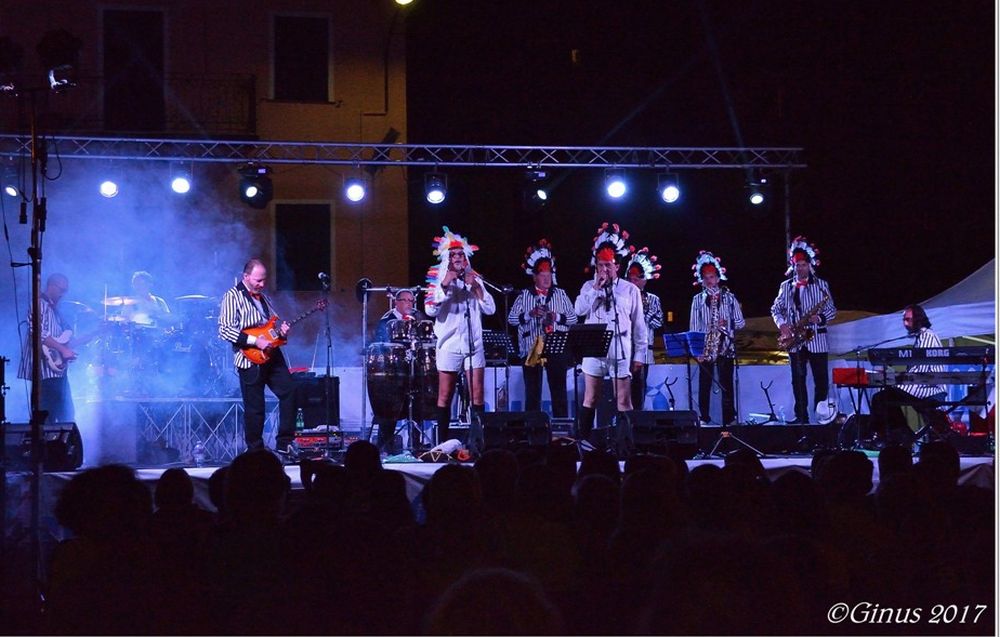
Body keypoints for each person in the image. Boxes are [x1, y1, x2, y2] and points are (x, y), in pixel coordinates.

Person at [573, 222, 648, 443]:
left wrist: (639, 356)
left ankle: (626, 444)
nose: (604, 269)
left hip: (620, 348)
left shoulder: (630, 290)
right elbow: (578, 310)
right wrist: (595, 290)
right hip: (594, 349)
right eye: (600, 265)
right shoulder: (588, 287)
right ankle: (583, 442)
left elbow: (639, 326)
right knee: (591, 397)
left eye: (608, 265)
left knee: (623, 400)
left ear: (616, 266)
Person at [217, 258, 297, 459]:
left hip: (271, 355)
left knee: (290, 391)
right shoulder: (232, 296)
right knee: (255, 407)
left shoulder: (263, 298)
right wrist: (255, 341)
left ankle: (284, 442)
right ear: (245, 277)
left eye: (264, 280)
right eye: (258, 280)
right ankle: (255, 450)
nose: (262, 284)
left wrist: (282, 332)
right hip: (249, 358)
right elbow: (225, 330)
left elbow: (271, 328)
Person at [424, 227, 496, 445]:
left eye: (461, 255)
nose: (458, 258)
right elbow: (430, 310)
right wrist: (446, 284)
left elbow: (490, 309)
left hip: (474, 345)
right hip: (449, 345)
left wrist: (476, 288)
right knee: (445, 395)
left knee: (477, 394)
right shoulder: (438, 282)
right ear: (447, 258)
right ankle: (442, 443)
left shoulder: (475, 281)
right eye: (453, 255)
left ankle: (478, 443)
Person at [770, 236, 837, 424]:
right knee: (797, 380)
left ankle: (821, 416)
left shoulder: (822, 285)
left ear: (809, 265)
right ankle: (801, 416)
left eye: (803, 264)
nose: (800, 268)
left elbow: (831, 309)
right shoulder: (786, 287)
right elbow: (776, 309)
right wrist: (783, 325)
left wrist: (820, 318)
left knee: (820, 380)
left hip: (816, 337)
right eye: (797, 265)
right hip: (795, 339)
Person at [507, 239, 576, 417]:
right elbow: (512, 319)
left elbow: (573, 318)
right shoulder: (524, 295)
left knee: (558, 391)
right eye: (543, 276)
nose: (547, 279)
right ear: (534, 277)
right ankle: (532, 428)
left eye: (549, 275)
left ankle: (562, 427)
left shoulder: (560, 294)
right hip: (532, 347)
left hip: (555, 345)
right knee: (532, 392)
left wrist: (557, 317)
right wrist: (529, 314)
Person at [869, 304, 949, 444]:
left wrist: (894, 376)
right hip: (919, 384)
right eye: (904, 320)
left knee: (881, 398)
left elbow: (921, 369)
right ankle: (902, 434)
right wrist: (893, 374)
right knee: (883, 397)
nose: (905, 324)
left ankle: (900, 435)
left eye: (908, 320)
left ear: (918, 319)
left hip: (929, 387)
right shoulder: (920, 338)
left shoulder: (927, 336)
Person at [689, 251, 746, 426]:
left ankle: (729, 419)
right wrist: (697, 350)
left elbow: (741, 322)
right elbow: (693, 327)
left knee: (726, 385)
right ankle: (704, 418)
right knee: (704, 385)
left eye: (712, 277)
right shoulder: (697, 300)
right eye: (705, 278)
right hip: (706, 347)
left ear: (718, 278)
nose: (709, 281)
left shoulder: (729, 298)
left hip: (725, 346)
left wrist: (726, 322)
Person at [371, 288, 428, 453]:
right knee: (391, 408)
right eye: (406, 300)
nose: (409, 304)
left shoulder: (417, 318)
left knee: (416, 404)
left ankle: (415, 443)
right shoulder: (387, 320)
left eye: (411, 301)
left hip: (413, 369)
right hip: (393, 372)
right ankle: (386, 445)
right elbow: (380, 343)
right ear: (397, 302)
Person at [18, 273, 76, 423]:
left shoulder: (56, 311)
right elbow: (37, 331)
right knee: (46, 418)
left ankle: (60, 446)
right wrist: (63, 350)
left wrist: (66, 351)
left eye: (66, 291)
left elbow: (60, 340)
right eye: (61, 290)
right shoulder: (39, 304)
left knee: (67, 416)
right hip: (43, 373)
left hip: (58, 373)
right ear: (51, 285)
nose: (63, 294)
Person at [625, 247, 663, 410]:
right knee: (623, 387)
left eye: (637, 279)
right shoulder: (622, 297)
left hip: (644, 351)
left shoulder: (653, 299)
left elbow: (659, 322)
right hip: (625, 349)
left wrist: (644, 312)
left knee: (640, 387)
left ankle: (638, 417)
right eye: (631, 279)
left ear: (644, 280)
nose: (634, 282)